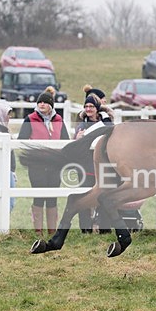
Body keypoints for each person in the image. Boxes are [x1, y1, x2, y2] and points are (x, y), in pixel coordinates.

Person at [17, 87, 70, 236]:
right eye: (39, 102)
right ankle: (38, 230)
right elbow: (21, 140)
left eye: (45, 103)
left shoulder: (59, 120)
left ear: (51, 105)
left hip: (55, 164)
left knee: (52, 197)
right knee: (39, 196)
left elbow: (65, 141)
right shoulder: (30, 119)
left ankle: (52, 230)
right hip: (37, 165)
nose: (41, 105)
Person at [74, 93, 113, 232]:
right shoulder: (81, 125)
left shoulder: (106, 122)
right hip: (85, 167)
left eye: (91, 106)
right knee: (84, 197)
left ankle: (104, 228)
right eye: (86, 106)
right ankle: (85, 229)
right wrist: (77, 138)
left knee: (104, 197)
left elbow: (111, 133)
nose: (88, 109)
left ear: (97, 108)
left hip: (103, 166)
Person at [0, 102, 17, 211]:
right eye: (7, 114)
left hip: (6, 170)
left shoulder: (3, 129)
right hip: (2, 171)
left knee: (8, 202)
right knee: (8, 203)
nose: (9, 117)